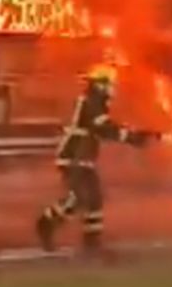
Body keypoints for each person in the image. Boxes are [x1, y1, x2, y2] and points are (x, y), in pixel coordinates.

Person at [36, 64, 162, 254]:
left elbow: (106, 129)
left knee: (95, 199)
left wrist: (137, 136)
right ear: (100, 85)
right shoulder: (91, 101)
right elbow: (103, 128)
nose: (113, 89)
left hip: (84, 158)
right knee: (79, 198)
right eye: (109, 84)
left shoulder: (96, 103)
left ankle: (91, 242)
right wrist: (133, 138)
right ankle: (46, 223)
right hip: (74, 156)